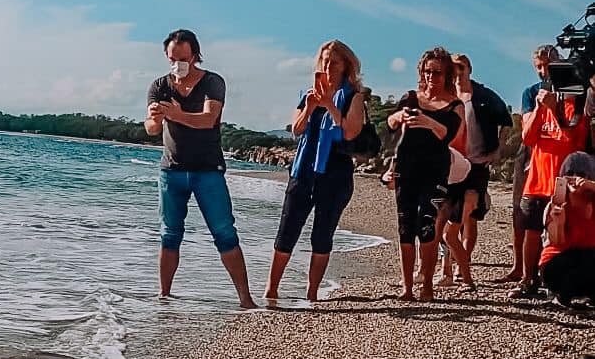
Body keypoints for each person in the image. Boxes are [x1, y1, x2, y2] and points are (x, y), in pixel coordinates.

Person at [144, 29, 257, 309]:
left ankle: (245, 298)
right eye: (172, 58)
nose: (177, 64)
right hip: (171, 170)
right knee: (169, 234)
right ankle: (165, 296)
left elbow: (208, 119)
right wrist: (158, 120)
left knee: (224, 232)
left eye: (183, 58)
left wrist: (177, 114)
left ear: (195, 55)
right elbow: (151, 127)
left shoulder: (212, 82)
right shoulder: (159, 86)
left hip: (208, 170)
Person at [264, 40, 366, 302]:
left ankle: (312, 292)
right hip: (303, 169)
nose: (328, 66)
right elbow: (296, 130)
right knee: (287, 230)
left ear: (346, 66)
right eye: (324, 61)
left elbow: (350, 131)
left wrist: (330, 104)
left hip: (336, 173)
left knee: (322, 234)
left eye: (333, 62)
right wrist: (310, 106)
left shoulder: (354, 97)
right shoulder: (307, 94)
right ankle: (272, 289)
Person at [383, 48, 464, 301]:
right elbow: (390, 128)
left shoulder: (454, 104)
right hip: (406, 169)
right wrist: (398, 117)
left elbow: (448, 135)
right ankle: (407, 287)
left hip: (435, 171)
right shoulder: (410, 98)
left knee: (426, 226)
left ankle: (427, 284)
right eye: (427, 71)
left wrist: (428, 121)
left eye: (437, 72)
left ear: (447, 75)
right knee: (405, 227)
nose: (432, 77)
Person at [513, 73, 593, 297]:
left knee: (561, 235)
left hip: (562, 185)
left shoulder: (576, 110)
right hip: (537, 180)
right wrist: (540, 109)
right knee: (531, 231)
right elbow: (527, 138)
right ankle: (528, 280)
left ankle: (559, 284)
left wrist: (555, 112)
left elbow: (571, 140)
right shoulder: (544, 107)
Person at [437, 53, 511, 287]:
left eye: (460, 66)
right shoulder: (446, 96)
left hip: (477, 164)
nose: (457, 71)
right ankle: (447, 268)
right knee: (444, 216)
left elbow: (506, 122)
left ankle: (462, 266)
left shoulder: (484, 96)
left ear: (469, 68)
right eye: (452, 67)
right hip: (451, 163)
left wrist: (497, 150)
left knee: (468, 218)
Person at [505, 46, 557, 282]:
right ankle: (521, 269)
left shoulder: (570, 91)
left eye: (547, 65)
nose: (544, 71)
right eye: (539, 66)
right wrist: (540, 107)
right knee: (522, 214)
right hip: (530, 154)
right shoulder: (531, 92)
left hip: (556, 157)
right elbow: (527, 132)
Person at [540, 150, 595, 306]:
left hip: (588, 260)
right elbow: (557, 242)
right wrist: (559, 223)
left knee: (588, 257)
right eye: (570, 173)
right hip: (560, 262)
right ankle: (562, 295)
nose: (575, 177)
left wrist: (590, 186)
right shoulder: (557, 202)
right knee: (579, 257)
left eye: (581, 174)